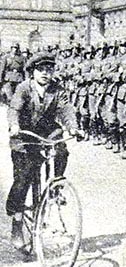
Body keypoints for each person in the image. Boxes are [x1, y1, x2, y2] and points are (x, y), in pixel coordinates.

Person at [6, 52, 83, 249]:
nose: (45, 74)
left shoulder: (57, 89)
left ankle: (55, 185)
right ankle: (16, 222)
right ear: (33, 72)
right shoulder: (24, 88)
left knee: (61, 148)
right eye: (41, 70)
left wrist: (73, 127)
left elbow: (66, 110)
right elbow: (14, 109)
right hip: (23, 136)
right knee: (23, 179)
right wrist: (14, 126)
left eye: (49, 70)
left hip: (46, 132)